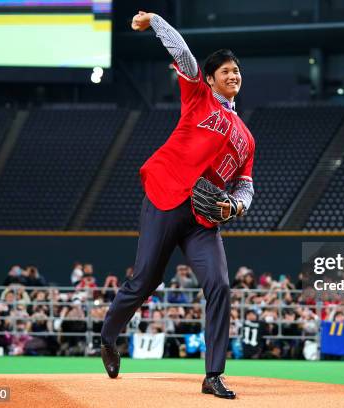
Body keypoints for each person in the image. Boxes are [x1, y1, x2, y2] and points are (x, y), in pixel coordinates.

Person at [100, 10, 255, 400]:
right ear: (211, 79)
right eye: (225, 71)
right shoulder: (199, 97)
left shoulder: (247, 138)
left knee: (219, 284)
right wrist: (155, 21)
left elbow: (246, 185)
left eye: (236, 71)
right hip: (167, 197)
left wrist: (235, 207)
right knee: (146, 280)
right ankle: (108, 334)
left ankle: (213, 374)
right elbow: (184, 55)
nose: (233, 75)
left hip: (203, 219)